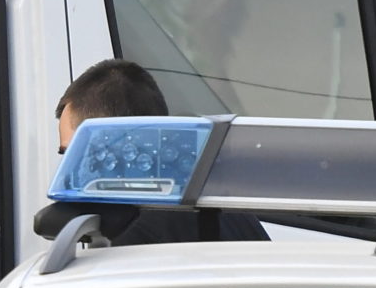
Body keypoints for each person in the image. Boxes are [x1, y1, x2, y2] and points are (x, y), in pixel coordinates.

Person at [53, 58, 267, 243]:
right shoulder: (224, 211)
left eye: (70, 155)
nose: (66, 173)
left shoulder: (133, 241)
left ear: (107, 148)